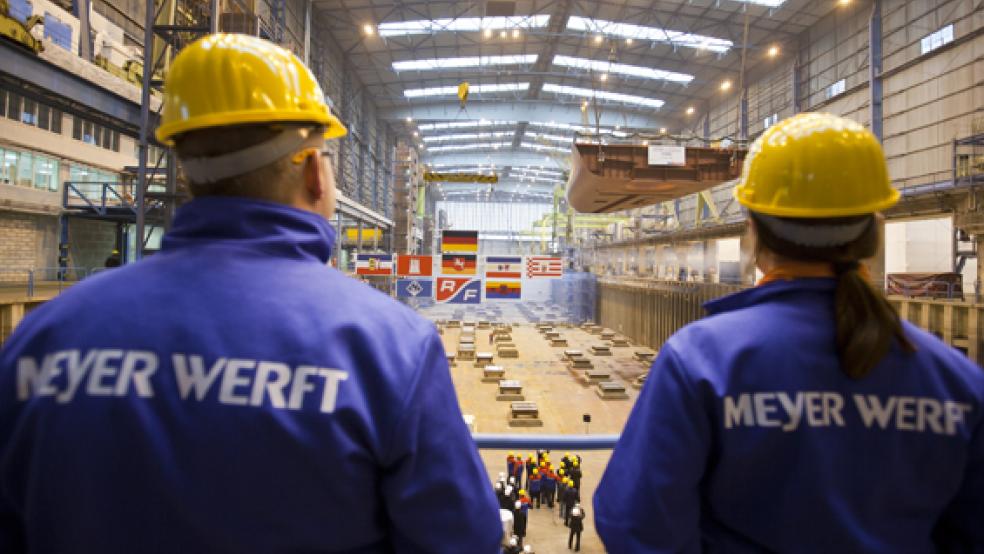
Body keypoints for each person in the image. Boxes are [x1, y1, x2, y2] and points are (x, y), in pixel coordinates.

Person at [0, 34, 502, 553]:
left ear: (186, 172)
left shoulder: (44, 339)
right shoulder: (389, 348)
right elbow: (461, 539)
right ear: (314, 172)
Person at [595, 112, 984, 552]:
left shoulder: (702, 360)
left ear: (753, 232)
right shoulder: (956, 382)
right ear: (875, 233)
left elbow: (635, 524)